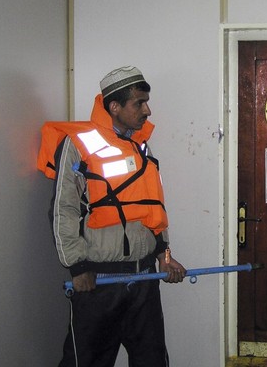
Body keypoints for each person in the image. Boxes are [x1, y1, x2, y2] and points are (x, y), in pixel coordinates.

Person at [41, 66, 186, 366]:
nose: (148, 110)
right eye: (139, 103)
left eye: (146, 101)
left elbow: (153, 207)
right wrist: (78, 267)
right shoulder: (78, 145)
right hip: (99, 283)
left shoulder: (141, 145)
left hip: (145, 279)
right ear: (114, 106)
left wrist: (165, 255)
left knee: (152, 361)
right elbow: (63, 211)